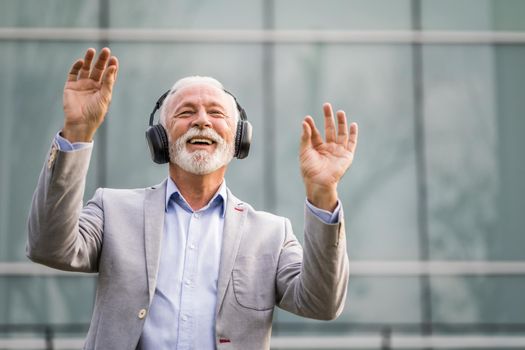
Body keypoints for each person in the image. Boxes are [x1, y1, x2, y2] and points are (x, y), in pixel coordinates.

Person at [26, 47, 359, 350]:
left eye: (216, 113)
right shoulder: (112, 210)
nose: (201, 120)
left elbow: (322, 303)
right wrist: (78, 133)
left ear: (239, 138)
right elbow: (48, 246)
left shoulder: (271, 235)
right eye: (186, 112)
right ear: (160, 137)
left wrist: (322, 193)